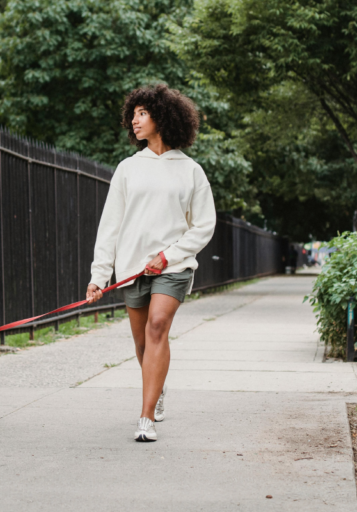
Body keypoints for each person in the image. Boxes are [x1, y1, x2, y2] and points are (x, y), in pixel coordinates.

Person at [86, 84, 216, 442]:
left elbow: (204, 225)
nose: (134, 120)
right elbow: (109, 225)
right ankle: (157, 391)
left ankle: (146, 418)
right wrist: (99, 275)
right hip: (132, 268)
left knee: (158, 327)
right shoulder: (128, 168)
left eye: (142, 113)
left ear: (162, 116)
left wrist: (168, 256)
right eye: (133, 114)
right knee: (143, 341)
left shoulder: (191, 171)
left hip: (172, 267)